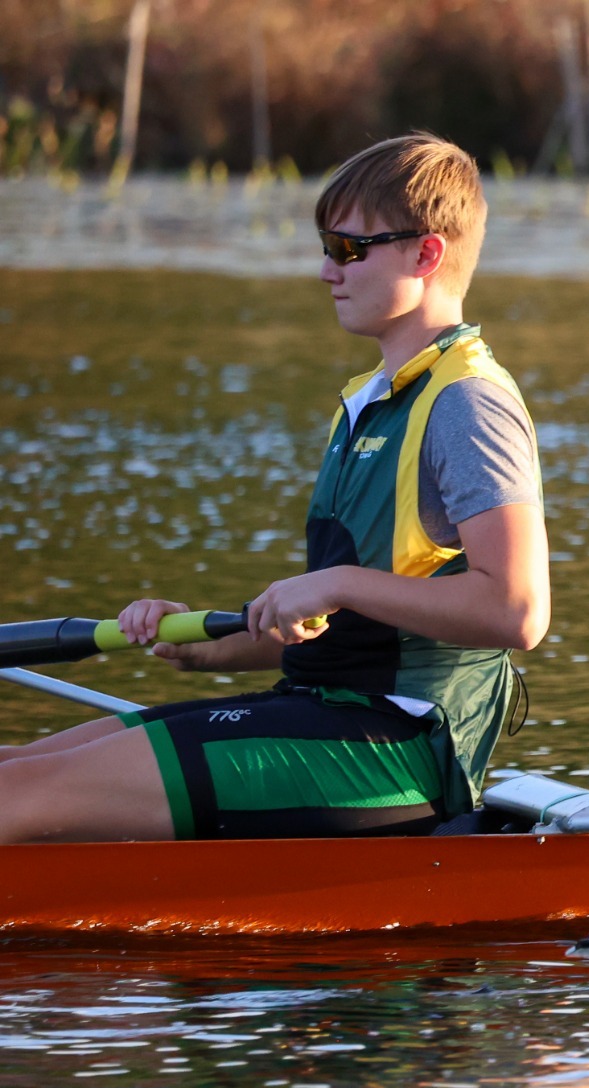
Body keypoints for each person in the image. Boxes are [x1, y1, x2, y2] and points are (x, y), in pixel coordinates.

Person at [0, 133, 548, 843]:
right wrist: (205, 643)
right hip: (324, 708)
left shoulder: (467, 403)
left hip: (394, 747)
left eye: (349, 248)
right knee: (9, 769)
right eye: (326, 247)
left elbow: (517, 611)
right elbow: (353, 632)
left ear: (427, 253)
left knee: (15, 797)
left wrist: (339, 583)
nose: (326, 270)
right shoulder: (372, 403)